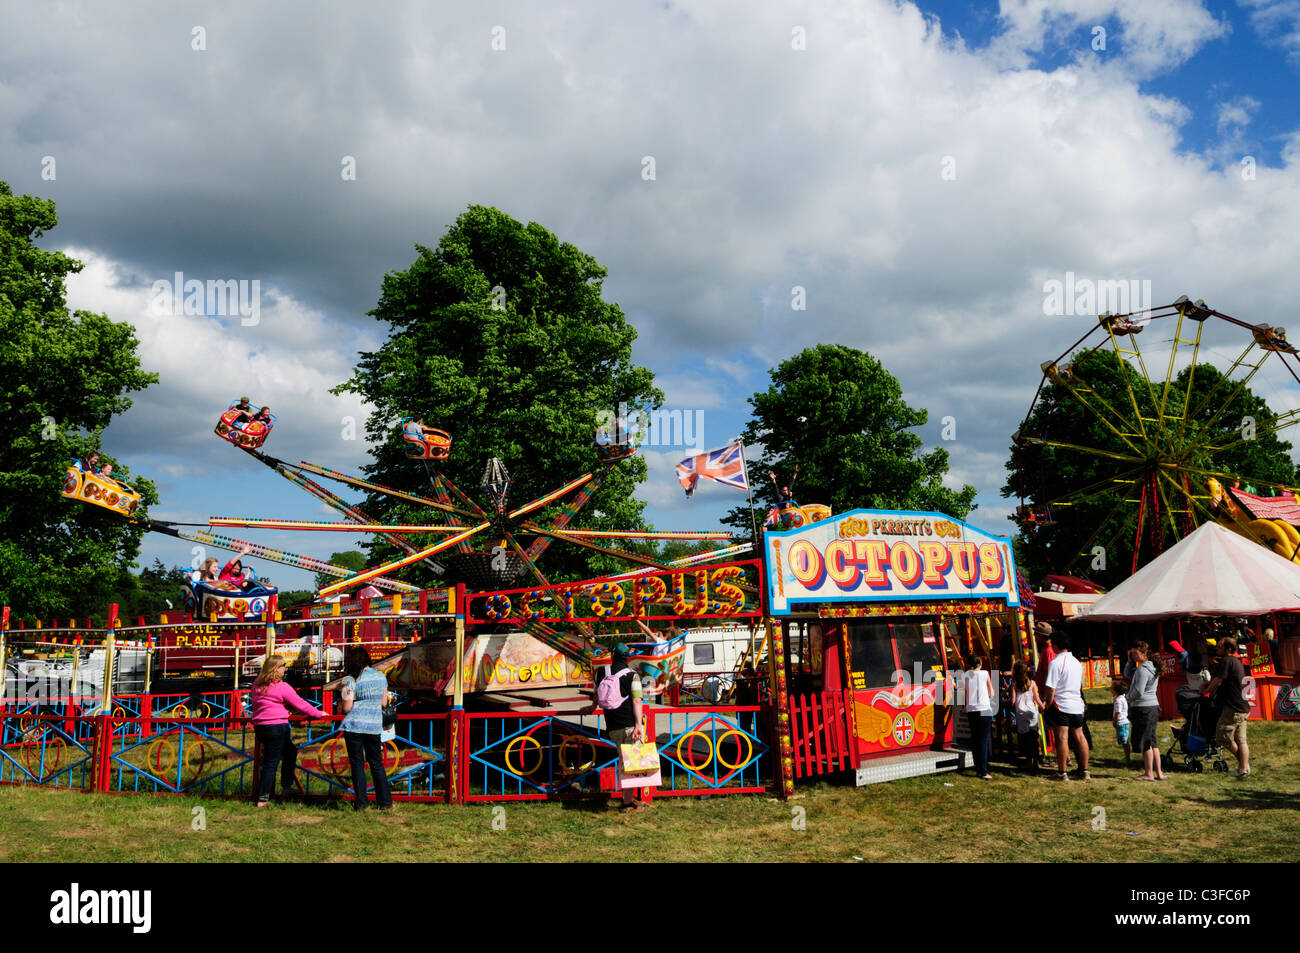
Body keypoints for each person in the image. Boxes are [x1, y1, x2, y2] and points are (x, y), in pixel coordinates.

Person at [248, 654, 326, 807]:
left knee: (289, 752)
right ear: (276, 669)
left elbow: (259, 705)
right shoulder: (282, 686)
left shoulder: (257, 684)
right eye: (284, 665)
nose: (286, 668)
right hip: (277, 727)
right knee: (271, 761)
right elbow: (300, 704)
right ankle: (263, 798)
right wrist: (318, 714)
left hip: (260, 727)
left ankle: (285, 787)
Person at [584, 643, 647, 811]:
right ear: (627, 657)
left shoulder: (601, 672)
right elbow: (636, 701)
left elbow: (597, 694)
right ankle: (627, 802)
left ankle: (628, 798)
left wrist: (592, 708)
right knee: (631, 764)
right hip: (629, 726)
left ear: (613, 655)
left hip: (612, 726)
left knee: (623, 761)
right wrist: (638, 725)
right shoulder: (632, 675)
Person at [339, 646, 394, 811]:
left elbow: (346, 708)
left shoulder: (350, 680)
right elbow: (384, 703)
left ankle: (362, 803)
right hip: (374, 725)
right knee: (376, 763)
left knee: (357, 765)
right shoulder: (381, 677)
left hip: (355, 726)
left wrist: (343, 693)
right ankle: (385, 803)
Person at [1043, 630, 1089, 780]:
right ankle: (1085, 770)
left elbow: (1050, 688)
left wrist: (1046, 704)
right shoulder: (1076, 662)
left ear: (1055, 645)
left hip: (1061, 705)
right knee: (1080, 736)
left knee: (1061, 738)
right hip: (1077, 704)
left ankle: (1062, 772)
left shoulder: (1055, 663)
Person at [1206, 637, 1251, 777]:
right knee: (1241, 739)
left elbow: (1218, 679)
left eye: (1219, 646)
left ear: (1228, 649)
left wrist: (1206, 691)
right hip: (1242, 706)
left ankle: (1243, 766)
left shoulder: (1227, 661)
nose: (1216, 648)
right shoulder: (1236, 661)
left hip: (1233, 707)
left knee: (1222, 736)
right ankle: (1243, 768)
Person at [1126, 641, 1164, 780]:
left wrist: (1127, 699)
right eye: (1132, 653)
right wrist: (1130, 662)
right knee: (1152, 740)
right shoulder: (1152, 666)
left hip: (1143, 708)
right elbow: (1128, 674)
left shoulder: (1143, 669)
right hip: (1153, 706)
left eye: (1135, 653)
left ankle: (1149, 773)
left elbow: (1139, 691)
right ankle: (1159, 772)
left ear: (1143, 652)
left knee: (1145, 741)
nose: (1133, 655)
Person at [962, 656, 994, 780]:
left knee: (975, 740)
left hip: (971, 710)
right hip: (984, 708)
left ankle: (978, 768)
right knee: (983, 740)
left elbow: (965, 693)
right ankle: (984, 770)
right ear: (980, 663)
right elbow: (991, 692)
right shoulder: (985, 674)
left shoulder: (964, 676)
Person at [1011, 661, 1044, 772]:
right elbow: (1037, 699)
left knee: (1025, 739)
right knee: (1034, 737)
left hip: (1021, 714)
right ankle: (1035, 761)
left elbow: (1013, 701)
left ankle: (1029, 762)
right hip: (1032, 713)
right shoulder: (1032, 683)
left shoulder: (1014, 684)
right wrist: (1043, 707)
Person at [1111, 679, 1131, 764]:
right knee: (1124, 741)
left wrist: (1115, 721)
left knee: (1124, 741)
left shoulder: (1118, 700)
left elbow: (1118, 712)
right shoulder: (1121, 698)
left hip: (1121, 723)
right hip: (1124, 722)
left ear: (1115, 691)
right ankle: (1127, 757)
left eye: (1111, 688)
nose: (1110, 689)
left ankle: (1127, 758)